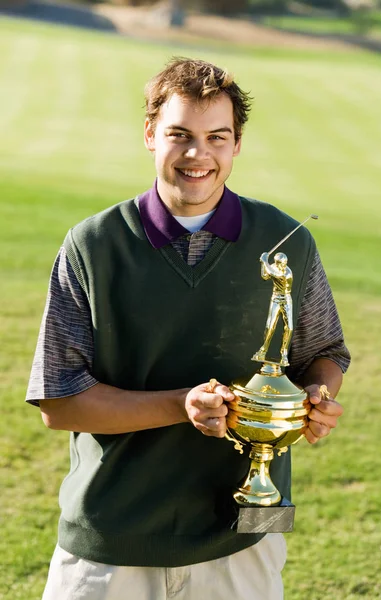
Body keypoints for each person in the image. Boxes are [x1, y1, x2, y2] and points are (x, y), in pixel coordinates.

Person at [26, 58, 350, 600]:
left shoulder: (286, 240)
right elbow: (59, 403)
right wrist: (182, 405)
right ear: (151, 134)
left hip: (247, 534)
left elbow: (325, 354)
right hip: (111, 538)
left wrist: (313, 399)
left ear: (237, 144)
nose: (198, 155)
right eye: (180, 135)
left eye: (216, 137)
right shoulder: (92, 245)